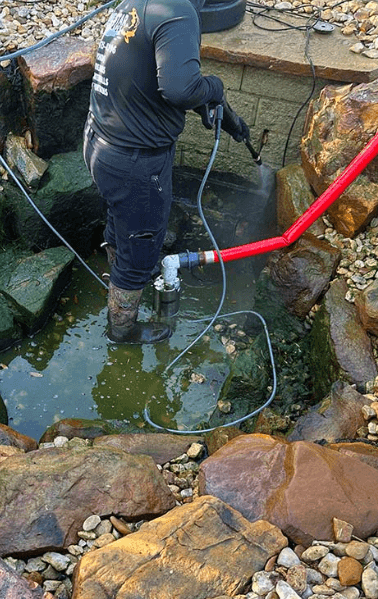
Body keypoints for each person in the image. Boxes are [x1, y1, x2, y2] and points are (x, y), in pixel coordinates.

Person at [83, 0, 250, 345]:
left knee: (123, 222)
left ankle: (118, 270)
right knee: (140, 255)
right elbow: (178, 87)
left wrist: (203, 101)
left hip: (100, 142)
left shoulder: (140, 3)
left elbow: (149, 75)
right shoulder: (177, 10)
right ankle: (122, 330)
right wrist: (213, 88)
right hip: (135, 162)